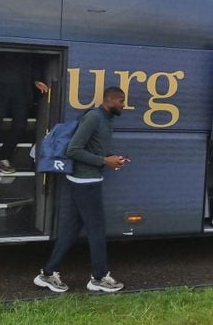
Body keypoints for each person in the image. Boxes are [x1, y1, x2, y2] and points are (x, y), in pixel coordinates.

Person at [34, 86, 129, 293]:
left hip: (88, 179)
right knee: (96, 230)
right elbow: (73, 150)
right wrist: (105, 160)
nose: (124, 105)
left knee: (71, 229)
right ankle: (99, 277)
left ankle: (48, 274)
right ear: (111, 99)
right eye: (121, 101)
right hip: (84, 182)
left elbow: (93, 148)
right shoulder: (94, 118)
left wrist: (112, 158)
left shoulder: (106, 120)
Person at [0, 52, 49, 190]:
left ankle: (3, 157)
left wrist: (36, 79)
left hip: (20, 86)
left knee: (20, 125)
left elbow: (33, 59)